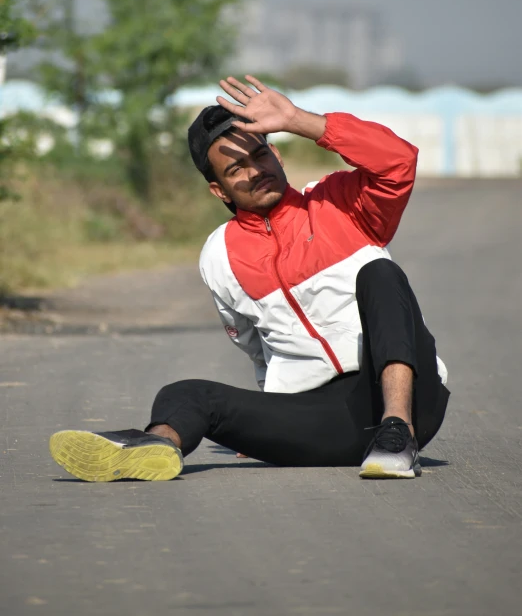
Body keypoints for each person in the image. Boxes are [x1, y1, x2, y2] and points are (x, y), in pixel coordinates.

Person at [49, 75, 449, 482]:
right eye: (237, 169)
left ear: (275, 152)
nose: (256, 171)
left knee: (381, 274)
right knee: (185, 394)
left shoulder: (341, 202)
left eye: (259, 155)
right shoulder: (219, 255)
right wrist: (264, 417)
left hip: (409, 399)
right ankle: (152, 447)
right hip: (318, 421)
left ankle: (397, 434)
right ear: (218, 190)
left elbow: (398, 160)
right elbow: (256, 347)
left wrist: (296, 119)